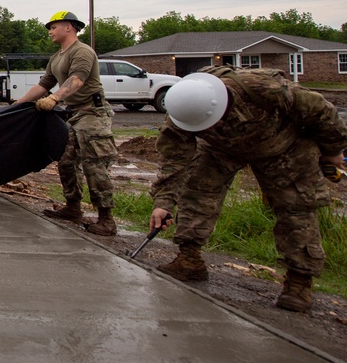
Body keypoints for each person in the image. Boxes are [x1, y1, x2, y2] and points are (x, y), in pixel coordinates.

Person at [149, 66, 347, 312]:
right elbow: (174, 162)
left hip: (282, 146)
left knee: (296, 208)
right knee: (197, 192)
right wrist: (163, 203)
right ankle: (189, 260)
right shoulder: (182, 111)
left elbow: (323, 113)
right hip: (220, 148)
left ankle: (299, 282)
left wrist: (333, 151)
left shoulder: (263, 89)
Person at [15, 10, 118, 236]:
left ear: (69, 27)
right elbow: (43, 85)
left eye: (54, 26)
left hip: (93, 114)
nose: (50, 31)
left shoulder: (82, 52)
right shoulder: (57, 57)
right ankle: (73, 208)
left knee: (94, 165)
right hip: (74, 114)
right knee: (66, 161)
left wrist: (54, 98)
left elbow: (77, 80)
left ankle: (106, 220)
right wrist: (18, 104)